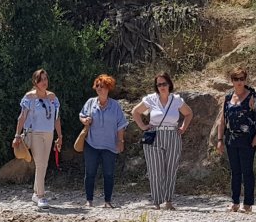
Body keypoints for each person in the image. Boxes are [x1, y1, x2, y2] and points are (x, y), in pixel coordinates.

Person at [133, 72, 193, 210]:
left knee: (171, 169)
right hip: (154, 135)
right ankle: (157, 201)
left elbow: (189, 113)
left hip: (172, 135)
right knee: (155, 169)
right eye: (159, 84)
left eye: (164, 84)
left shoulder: (176, 100)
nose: (162, 87)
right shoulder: (151, 99)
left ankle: (169, 201)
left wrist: (183, 127)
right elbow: (135, 112)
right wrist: (143, 126)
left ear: (169, 84)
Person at [214, 67, 256, 213]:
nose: (239, 82)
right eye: (236, 79)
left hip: (248, 138)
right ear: (232, 81)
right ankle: (235, 201)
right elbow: (222, 120)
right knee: (235, 171)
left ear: (245, 80)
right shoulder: (228, 97)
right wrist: (219, 139)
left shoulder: (252, 97)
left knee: (247, 170)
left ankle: (247, 203)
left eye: (242, 79)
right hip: (231, 138)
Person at [12, 68, 62, 210]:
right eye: (40, 80)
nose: (44, 82)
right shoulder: (29, 97)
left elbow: (56, 117)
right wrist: (17, 134)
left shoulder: (52, 97)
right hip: (35, 133)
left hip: (49, 133)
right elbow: (22, 117)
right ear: (35, 82)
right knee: (40, 163)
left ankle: (35, 193)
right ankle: (41, 196)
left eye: (45, 79)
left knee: (44, 163)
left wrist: (60, 136)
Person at [79, 74, 127, 208]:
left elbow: (121, 124)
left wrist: (120, 141)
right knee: (89, 173)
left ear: (109, 88)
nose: (101, 89)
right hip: (91, 144)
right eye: (98, 86)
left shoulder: (115, 105)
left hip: (110, 145)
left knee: (109, 174)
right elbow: (81, 115)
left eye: (104, 86)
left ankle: (107, 201)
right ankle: (89, 200)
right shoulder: (90, 103)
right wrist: (85, 120)